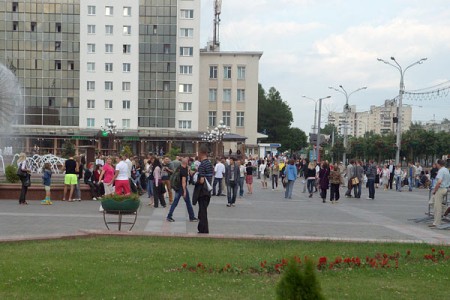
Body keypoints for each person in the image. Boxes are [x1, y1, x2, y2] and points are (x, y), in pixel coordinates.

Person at [166, 158, 197, 222]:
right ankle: (191, 217)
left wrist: (195, 170)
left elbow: (190, 173)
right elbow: (183, 181)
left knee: (177, 202)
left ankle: (169, 216)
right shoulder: (183, 170)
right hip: (182, 188)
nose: (189, 162)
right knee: (185, 202)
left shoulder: (180, 167)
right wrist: (184, 191)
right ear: (186, 162)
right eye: (188, 161)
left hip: (177, 187)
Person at [196, 145, 214, 234]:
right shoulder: (209, 164)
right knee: (203, 210)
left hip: (203, 191)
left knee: (202, 211)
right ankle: (202, 227)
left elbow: (202, 180)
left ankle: (203, 229)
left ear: (200, 153)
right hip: (208, 190)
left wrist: (196, 177)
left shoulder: (202, 165)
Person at [429, 159, 450, 228]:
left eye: (436, 164)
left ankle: (436, 223)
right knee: (432, 202)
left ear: (438, 164)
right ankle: (446, 209)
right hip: (445, 188)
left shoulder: (441, 171)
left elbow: (439, 182)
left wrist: (435, 190)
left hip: (440, 189)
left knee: (437, 207)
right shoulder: (446, 170)